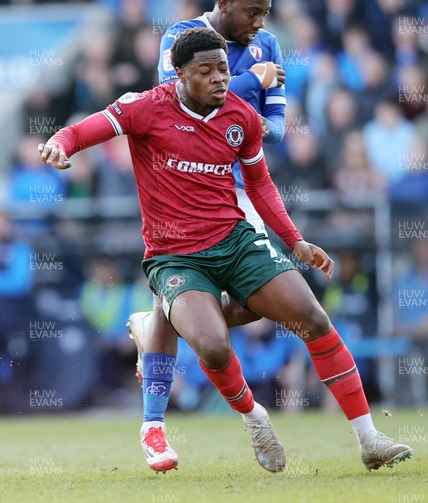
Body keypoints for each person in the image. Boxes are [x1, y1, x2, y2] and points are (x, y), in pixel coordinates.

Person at [38, 28, 412, 476]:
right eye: (207, 71)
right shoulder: (146, 107)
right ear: (178, 74)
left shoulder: (241, 116)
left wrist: (294, 240)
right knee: (213, 346)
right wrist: (59, 144)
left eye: (223, 69)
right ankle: (254, 417)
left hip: (235, 241)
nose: (220, 79)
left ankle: (369, 438)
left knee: (311, 317)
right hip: (175, 255)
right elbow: (84, 130)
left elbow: (259, 184)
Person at [127, 0, 290, 468]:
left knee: (257, 303)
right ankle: (153, 428)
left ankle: (168, 321)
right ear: (228, 2)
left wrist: (248, 111)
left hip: (238, 191)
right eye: (254, 10)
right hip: (176, 184)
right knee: (169, 300)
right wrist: (249, 84)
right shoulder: (182, 35)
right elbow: (171, 100)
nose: (260, 21)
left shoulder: (270, 46)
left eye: (265, 11)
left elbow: (275, 128)